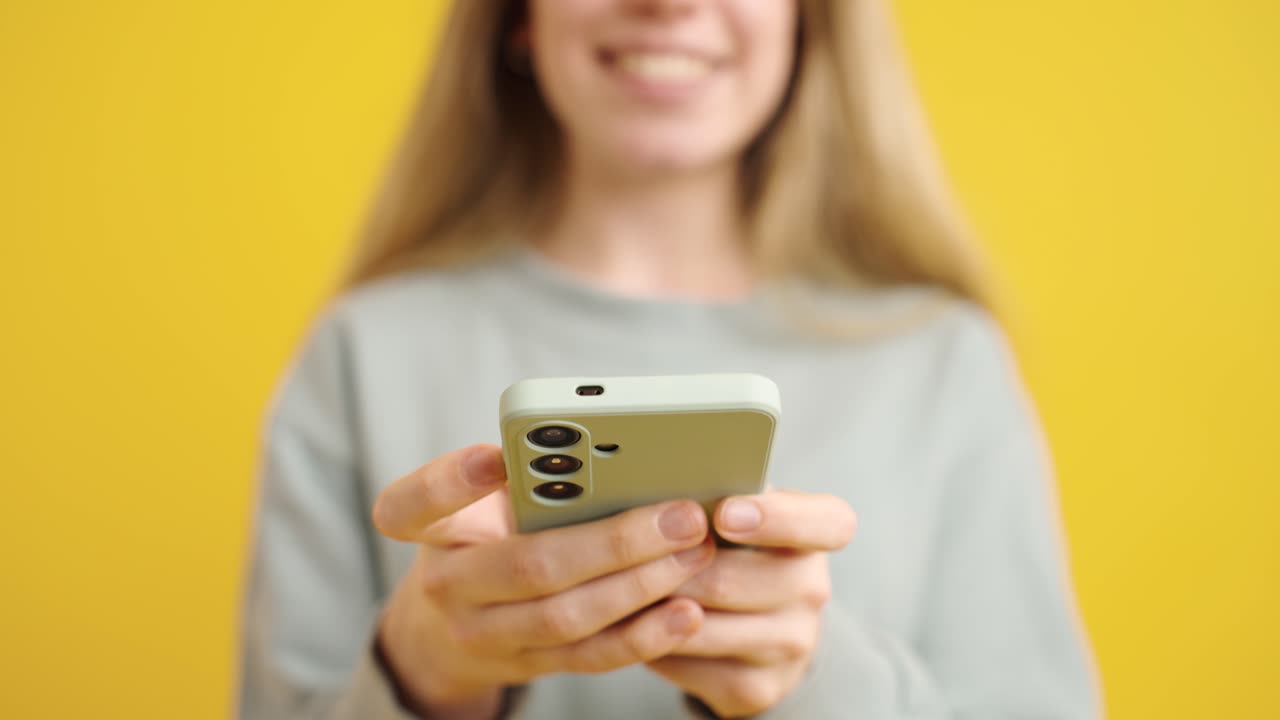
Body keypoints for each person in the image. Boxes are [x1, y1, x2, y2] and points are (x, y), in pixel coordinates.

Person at [237, 0, 1101, 718]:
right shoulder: (362, 352)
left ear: (811, 21)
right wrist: (421, 672)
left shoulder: (941, 362)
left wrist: (812, 679)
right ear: (516, 19)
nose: (669, 3)